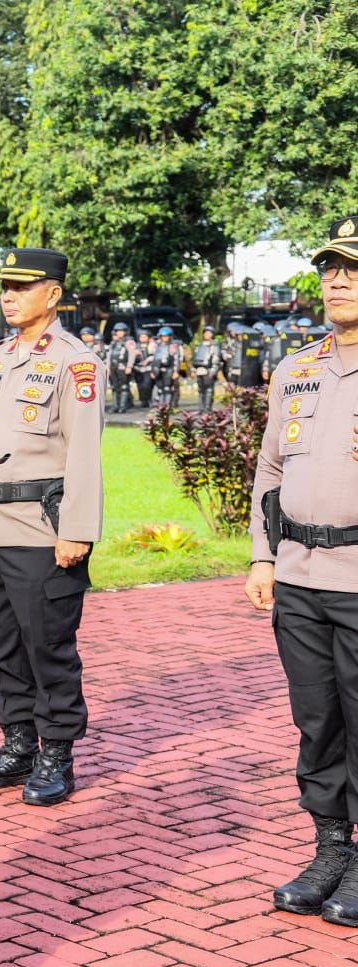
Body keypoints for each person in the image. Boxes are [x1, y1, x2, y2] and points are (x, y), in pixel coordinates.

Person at [0, 248, 105, 807]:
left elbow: (85, 455)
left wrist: (78, 529)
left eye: (22, 286)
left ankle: (57, 753)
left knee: (48, 646)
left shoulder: (75, 362)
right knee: (1, 644)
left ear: (53, 294)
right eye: (5, 286)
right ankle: (18, 743)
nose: (8, 295)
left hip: (44, 530)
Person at [248, 215, 358, 926]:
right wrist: (262, 554)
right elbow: (269, 467)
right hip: (299, 575)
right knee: (316, 720)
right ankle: (331, 848)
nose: (338, 280)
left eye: (352, 268)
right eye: (329, 268)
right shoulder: (298, 366)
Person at [193, 325, 222, 411]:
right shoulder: (199, 345)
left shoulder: (214, 346)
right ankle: (201, 408)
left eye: (209, 333)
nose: (207, 335)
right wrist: (193, 370)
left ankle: (207, 408)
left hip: (208, 370)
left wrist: (212, 371)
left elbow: (216, 360)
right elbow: (195, 358)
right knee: (201, 390)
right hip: (199, 370)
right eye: (206, 333)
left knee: (209, 390)